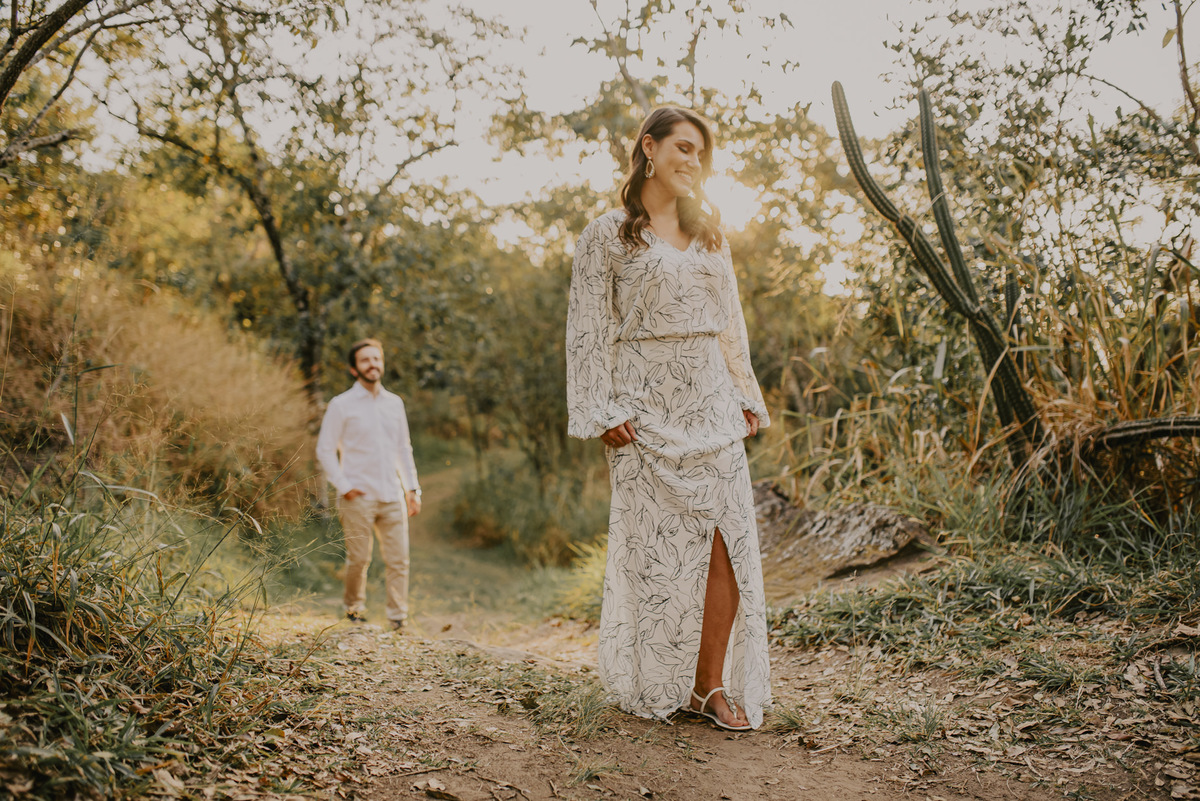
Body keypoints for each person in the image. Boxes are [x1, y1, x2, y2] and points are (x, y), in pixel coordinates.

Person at [566, 106, 771, 731]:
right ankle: (662, 677)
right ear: (647, 149)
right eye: (682, 147)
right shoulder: (607, 234)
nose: (693, 161)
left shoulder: (710, 233)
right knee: (656, 557)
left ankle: (709, 687)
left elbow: (730, 321)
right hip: (643, 410)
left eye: (701, 153)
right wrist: (601, 410)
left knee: (727, 546)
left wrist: (745, 392)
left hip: (710, 400)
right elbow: (587, 329)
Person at [316, 338, 422, 631]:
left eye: (376, 359)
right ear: (354, 369)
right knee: (359, 559)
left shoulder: (394, 403)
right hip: (357, 495)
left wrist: (412, 488)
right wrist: (343, 485)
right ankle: (354, 611)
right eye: (365, 360)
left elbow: (404, 448)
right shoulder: (341, 405)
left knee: (399, 560)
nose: (372, 364)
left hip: (392, 495)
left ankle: (397, 617)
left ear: (382, 363)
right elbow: (325, 450)